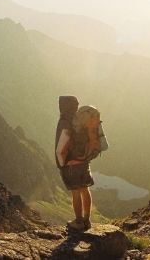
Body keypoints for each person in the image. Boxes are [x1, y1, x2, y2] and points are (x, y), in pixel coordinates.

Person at [55, 96, 98, 231]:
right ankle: (87, 220)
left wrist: (62, 163)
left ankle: (78, 222)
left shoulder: (65, 121)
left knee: (76, 192)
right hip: (83, 161)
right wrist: (84, 158)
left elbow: (61, 147)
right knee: (85, 188)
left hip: (71, 164)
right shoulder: (81, 120)